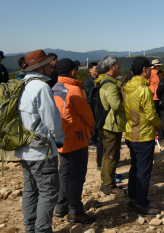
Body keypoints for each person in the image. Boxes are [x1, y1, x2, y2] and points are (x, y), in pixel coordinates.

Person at [16, 49, 65, 233]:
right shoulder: (42, 87)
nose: (51, 67)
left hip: (23, 147)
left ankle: (30, 228)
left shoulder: (21, 84)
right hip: (41, 150)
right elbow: (52, 120)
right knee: (48, 191)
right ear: (41, 67)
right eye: (48, 64)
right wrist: (60, 139)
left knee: (30, 189)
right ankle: (42, 230)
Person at [52, 59, 95, 225]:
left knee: (63, 172)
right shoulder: (74, 89)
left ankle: (60, 206)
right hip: (76, 137)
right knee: (77, 174)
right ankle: (75, 210)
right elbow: (86, 114)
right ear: (71, 72)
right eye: (76, 69)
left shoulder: (54, 88)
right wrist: (91, 126)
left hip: (60, 137)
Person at [123, 57, 162, 216]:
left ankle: (133, 199)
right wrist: (159, 124)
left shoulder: (128, 86)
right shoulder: (144, 89)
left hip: (131, 132)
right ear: (145, 69)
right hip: (144, 134)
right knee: (144, 170)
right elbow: (150, 114)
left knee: (135, 167)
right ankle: (141, 203)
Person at [95, 55, 126, 194]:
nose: (119, 67)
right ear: (112, 67)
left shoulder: (103, 82)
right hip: (111, 125)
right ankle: (109, 185)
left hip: (106, 123)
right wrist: (127, 103)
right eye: (118, 65)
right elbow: (116, 105)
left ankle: (106, 181)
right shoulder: (110, 85)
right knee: (112, 155)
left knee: (108, 153)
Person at [83, 62, 99, 147]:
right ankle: (91, 141)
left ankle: (96, 140)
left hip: (98, 105)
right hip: (91, 104)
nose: (97, 70)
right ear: (90, 70)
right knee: (92, 122)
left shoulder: (100, 79)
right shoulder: (88, 81)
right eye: (96, 68)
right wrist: (96, 88)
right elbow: (88, 93)